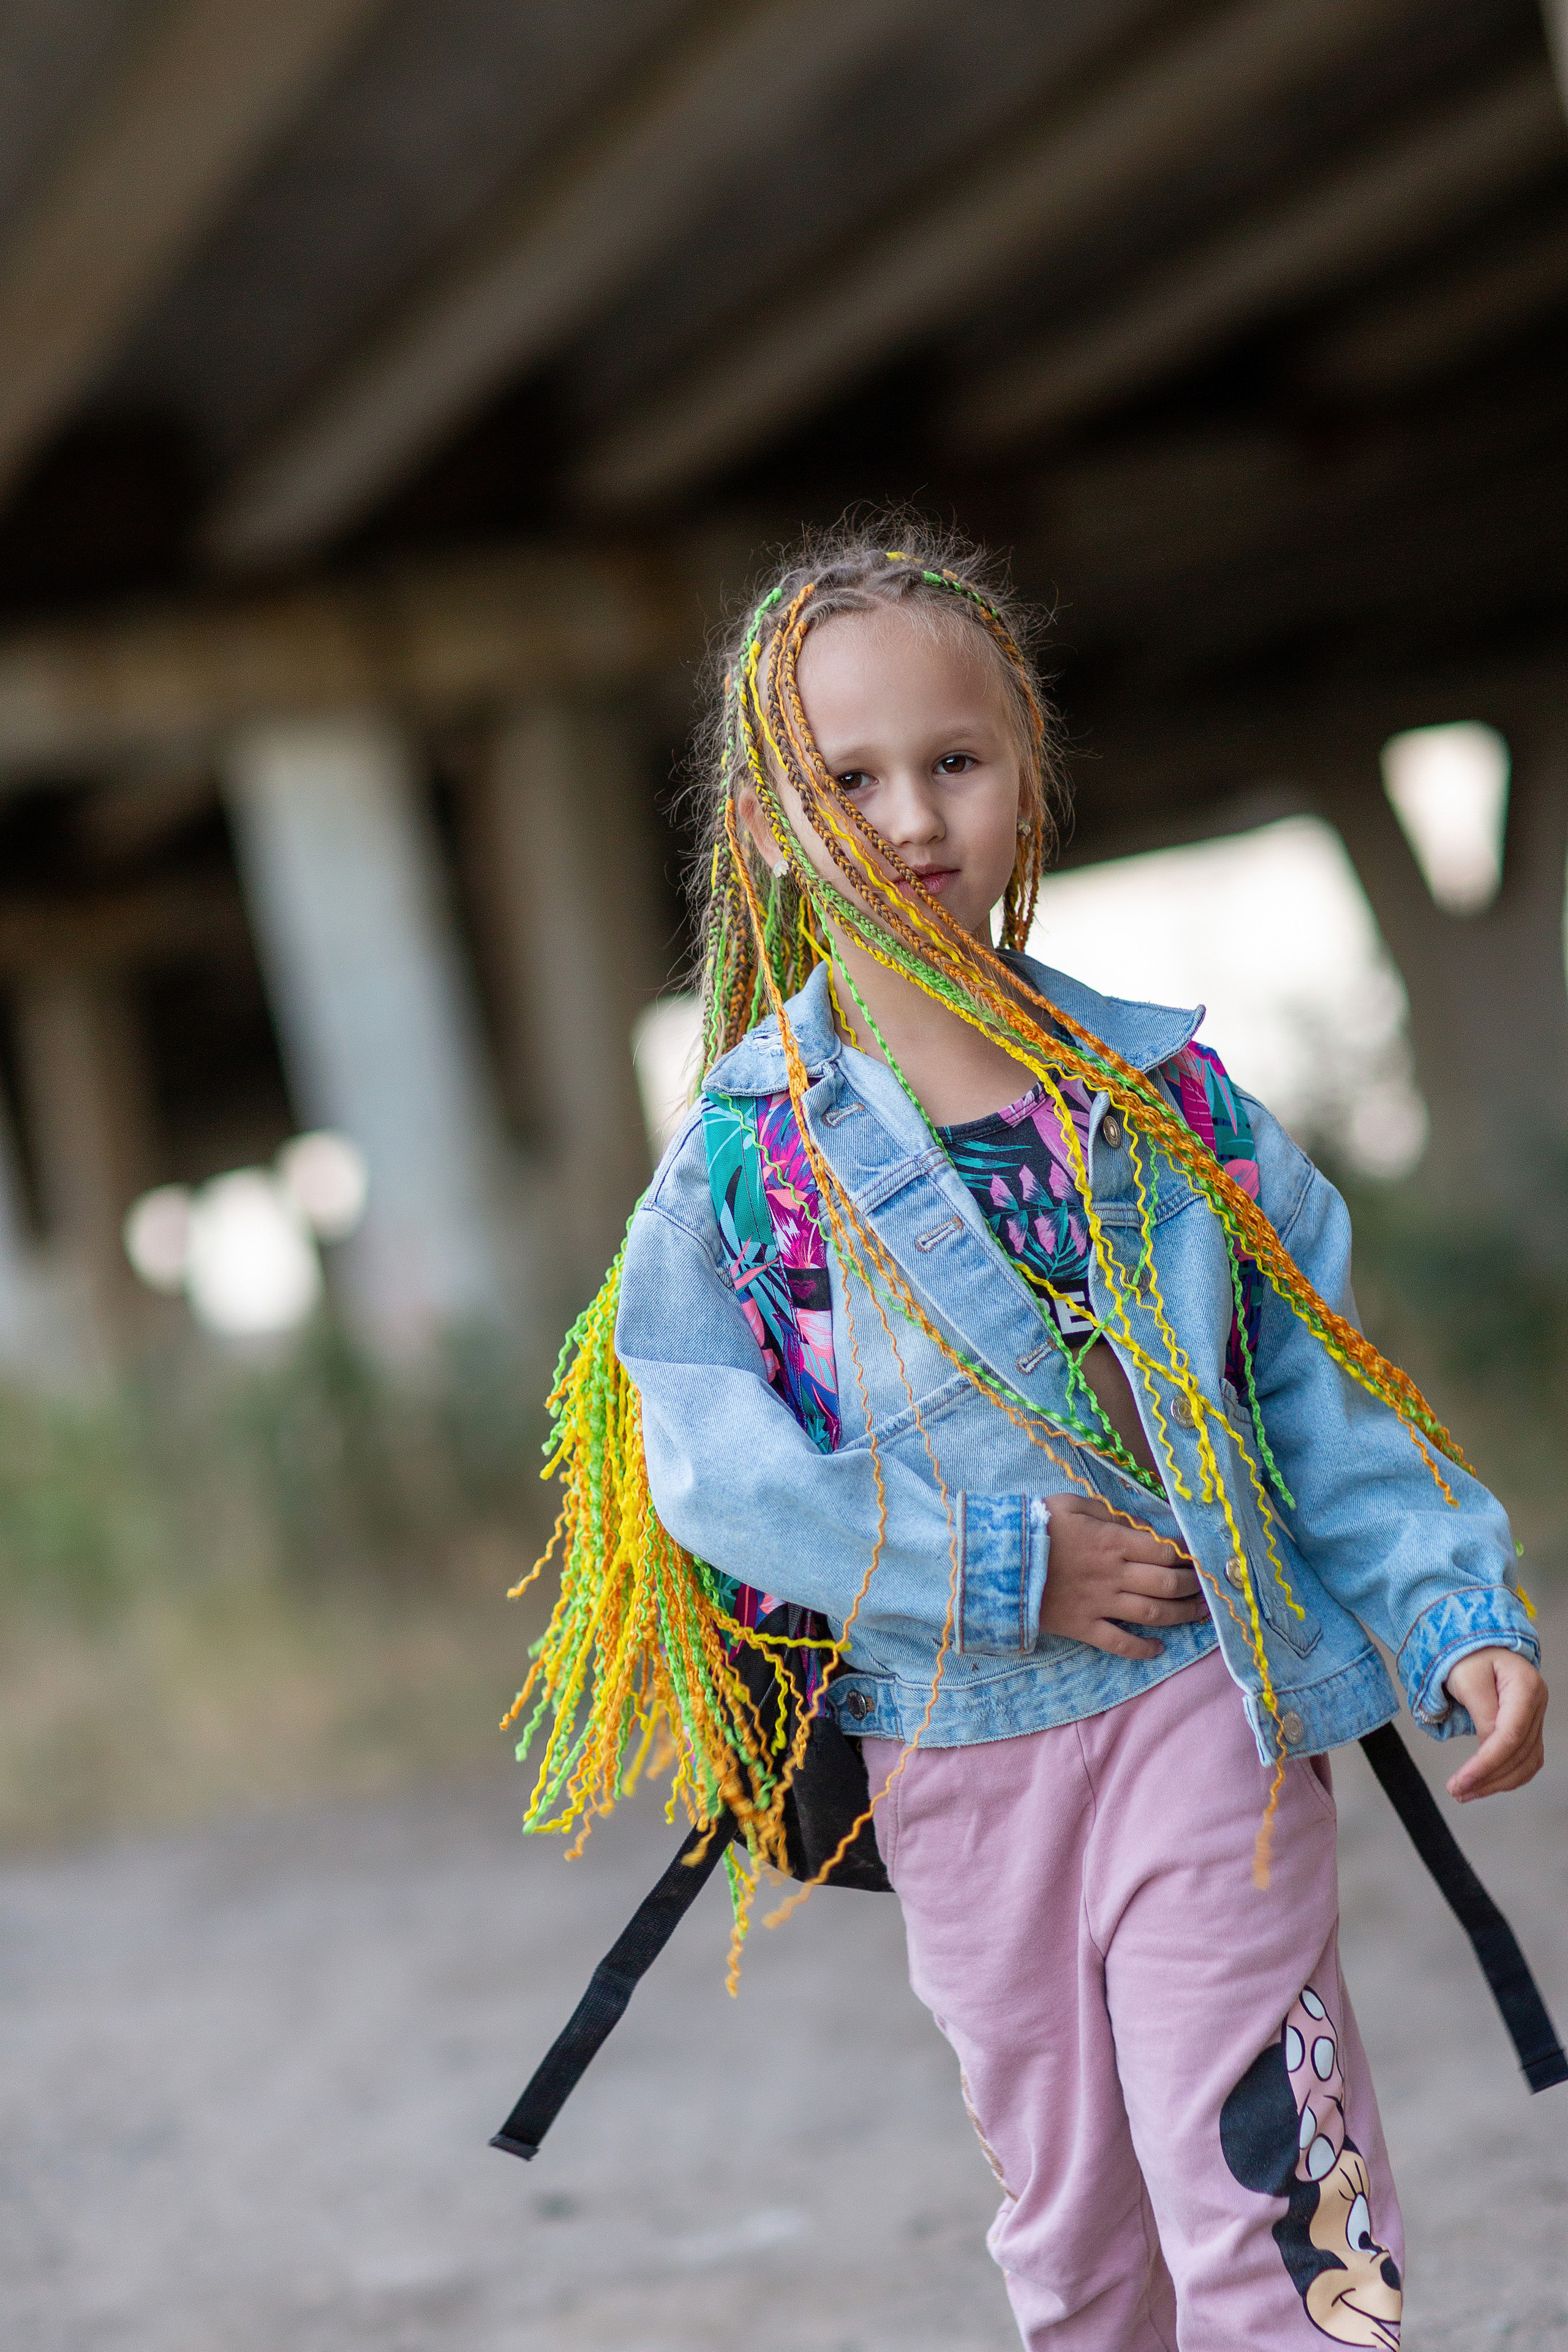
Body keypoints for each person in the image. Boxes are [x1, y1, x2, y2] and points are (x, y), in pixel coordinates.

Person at [510, 524, 1547, 2350]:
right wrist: (997, 1564)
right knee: (1077, 2244)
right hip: (950, 1756)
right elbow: (713, 1469)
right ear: (766, 829)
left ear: (1028, 782)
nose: (911, 819)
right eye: (849, 779)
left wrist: (1455, 1606)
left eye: (957, 763)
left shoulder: (1170, 1104)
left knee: (1274, 2196)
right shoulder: (750, 1168)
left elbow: (1319, 1394)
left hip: (1202, 1716)